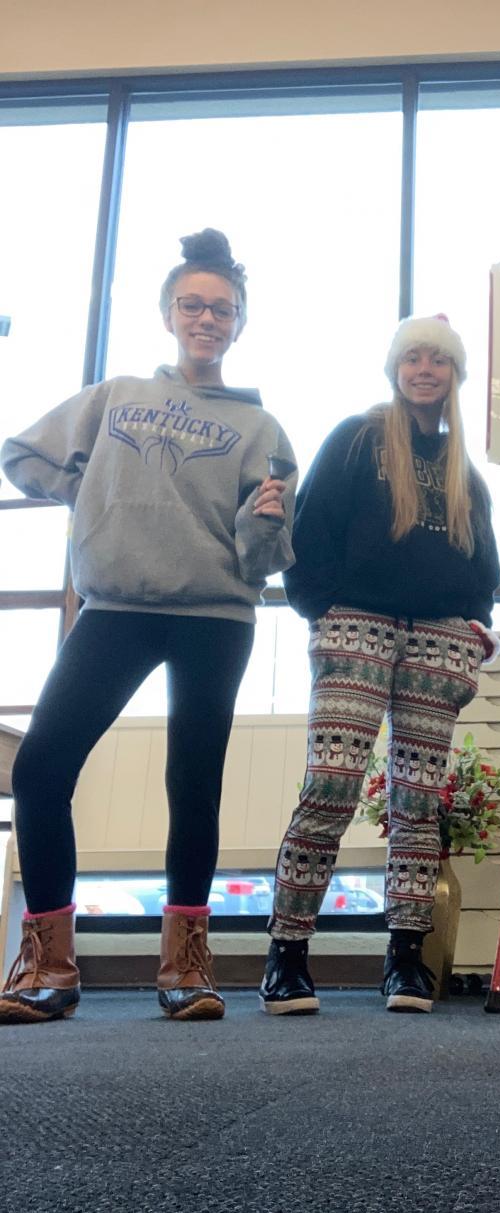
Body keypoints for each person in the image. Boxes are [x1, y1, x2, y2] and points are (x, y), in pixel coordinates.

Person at [0, 229, 296, 1024]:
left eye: (222, 310)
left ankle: (185, 968)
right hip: (116, 608)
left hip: (214, 616)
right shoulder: (116, 396)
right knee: (41, 769)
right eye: (193, 305)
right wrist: (90, 492)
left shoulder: (262, 429)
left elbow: (264, 557)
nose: (206, 319)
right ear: (169, 313)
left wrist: (266, 520)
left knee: (193, 785)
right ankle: (49, 965)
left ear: (239, 323)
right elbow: (21, 454)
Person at [259, 314, 500, 1015]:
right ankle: (287, 953)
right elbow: (311, 527)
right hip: (356, 625)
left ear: (455, 374)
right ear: (395, 368)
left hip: (439, 636)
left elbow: (484, 563)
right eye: (413, 357)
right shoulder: (357, 439)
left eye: (439, 360)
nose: (425, 370)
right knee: (332, 787)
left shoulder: (463, 469)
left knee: (418, 804)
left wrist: (474, 625)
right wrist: (319, 608)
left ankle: (405, 959)